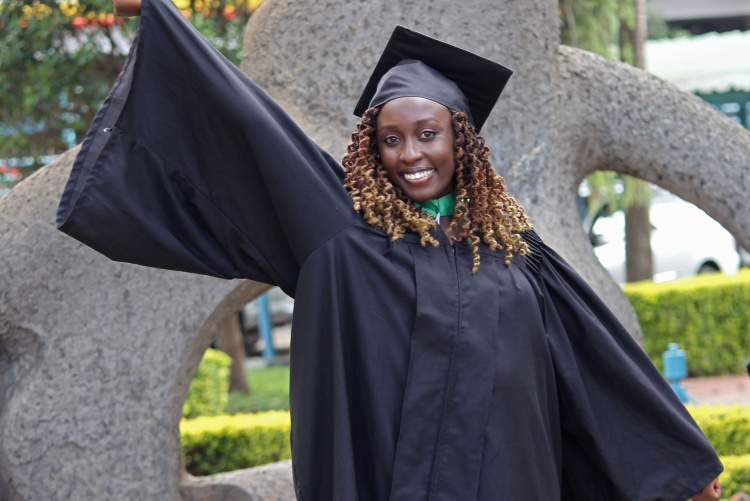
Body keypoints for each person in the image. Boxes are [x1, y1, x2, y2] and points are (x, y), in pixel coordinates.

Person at [56, 0, 723, 499]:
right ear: (370, 150)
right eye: (391, 139)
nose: (410, 155)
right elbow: (249, 131)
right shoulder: (345, 239)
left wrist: (681, 470)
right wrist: (159, 21)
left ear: (461, 140)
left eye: (426, 133)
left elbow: (597, 364)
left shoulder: (518, 253)